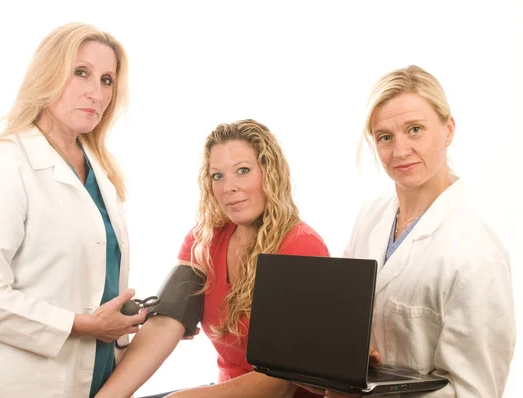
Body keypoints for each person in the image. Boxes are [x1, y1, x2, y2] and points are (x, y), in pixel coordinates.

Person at [0, 22, 146, 398]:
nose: (96, 93)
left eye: (107, 80)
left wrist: (132, 318)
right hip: (21, 380)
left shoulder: (101, 171)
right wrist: (83, 325)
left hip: (98, 372)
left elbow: (92, 278)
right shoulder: (5, 165)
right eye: (81, 73)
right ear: (48, 74)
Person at [302, 65, 516, 397]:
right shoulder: (370, 217)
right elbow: (343, 319)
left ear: (448, 130)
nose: (400, 151)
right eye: (385, 137)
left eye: (415, 129)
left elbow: (476, 391)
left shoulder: (477, 256)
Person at [97, 119, 330, 398]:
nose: (228, 187)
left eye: (242, 171)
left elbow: (280, 383)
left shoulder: (301, 246)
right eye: (218, 175)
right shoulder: (204, 240)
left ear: (270, 173)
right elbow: (166, 324)